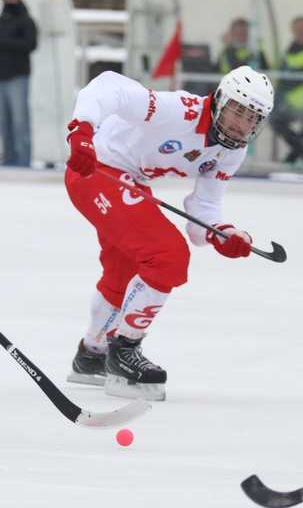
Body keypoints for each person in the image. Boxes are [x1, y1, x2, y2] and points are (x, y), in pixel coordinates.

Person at [63, 66, 274, 400]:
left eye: (252, 119)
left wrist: (222, 233)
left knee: (125, 273)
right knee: (167, 256)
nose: (241, 124)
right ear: (219, 100)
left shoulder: (233, 150)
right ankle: (124, 348)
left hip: (128, 180)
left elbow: (203, 210)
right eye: (237, 110)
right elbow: (108, 86)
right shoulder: (181, 111)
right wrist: (81, 131)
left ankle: (92, 355)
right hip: (95, 171)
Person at [0, 0, 37, 167]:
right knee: (3, 122)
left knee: (20, 121)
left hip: (17, 77)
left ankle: (24, 161)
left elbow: (30, 44)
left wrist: (3, 43)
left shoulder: (25, 21)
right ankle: (8, 158)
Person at [272, 16, 303, 164]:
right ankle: (301, 153)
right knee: (274, 120)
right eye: (296, 31)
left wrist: (292, 78)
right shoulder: (291, 48)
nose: (300, 34)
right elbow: (284, 73)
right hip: (293, 100)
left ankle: (293, 158)